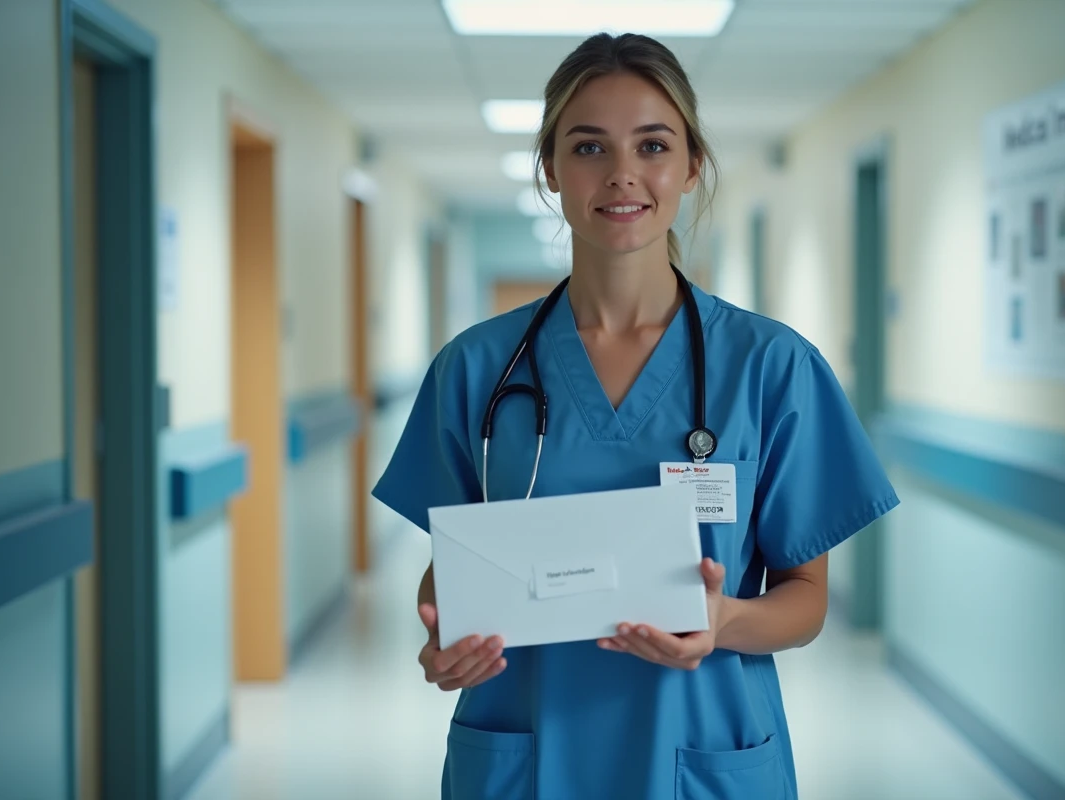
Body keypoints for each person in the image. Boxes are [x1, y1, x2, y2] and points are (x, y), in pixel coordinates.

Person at [372, 31, 899, 800]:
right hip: (527, 753)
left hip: (701, 750)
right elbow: (453, 569)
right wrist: (444, 639)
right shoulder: (477, 369)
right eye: (589, 148)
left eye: (652, 144)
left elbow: (805, 598)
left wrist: (723, 622)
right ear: (550, 169)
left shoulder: (770, 366)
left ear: (691, 165)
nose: (622, 174)